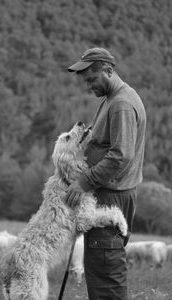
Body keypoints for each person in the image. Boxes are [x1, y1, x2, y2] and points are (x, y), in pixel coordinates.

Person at [65, 47, 146, 300]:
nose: (88, 86)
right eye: (86, 81)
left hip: (111, 198)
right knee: (101, 271)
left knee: (105, 277)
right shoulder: (111, 99)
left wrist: (83, 182)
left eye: (91, 79)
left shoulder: (121, 103)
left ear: (108, 70)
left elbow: (121, 155)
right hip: (109, 195)